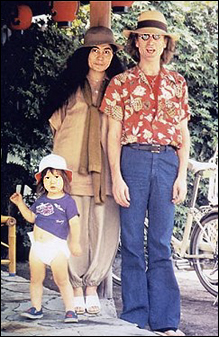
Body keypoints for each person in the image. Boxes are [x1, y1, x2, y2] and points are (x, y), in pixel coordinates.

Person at [100, 10, 190, 336]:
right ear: (136, 42)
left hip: (167, 162)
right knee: (133, 243)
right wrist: (116, 176)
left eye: (157, 37)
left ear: (165, 42)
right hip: (132, 162)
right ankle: (135, 319)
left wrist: (181, 175)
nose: (150, 43)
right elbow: (112, 133)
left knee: (161, 243)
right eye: (144, 36)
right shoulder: (120, 84)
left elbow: (183, 134)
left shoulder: (177, 83)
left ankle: (166, 322)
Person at [48, 26, 124, 315]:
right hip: (70, 166)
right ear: (84, 54)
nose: (101, 57)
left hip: (106, 166)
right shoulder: (69, 85)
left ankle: (92, 284)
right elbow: (55, 122)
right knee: (71, 226)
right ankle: (76, 286)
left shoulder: (119, 87)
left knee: (104, 226)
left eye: (107, 51)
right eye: (95, 50)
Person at [10, 154, 82, 323]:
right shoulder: (41, 200)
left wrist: (75, 243)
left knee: (61, 280)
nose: (52, 181)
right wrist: (21, 204)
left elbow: (75, 224)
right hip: (38, 247)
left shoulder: (68, 202)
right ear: (42, 181)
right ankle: (36, 308)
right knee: (35, 279)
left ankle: (71, 310)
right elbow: (31, 217)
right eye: (47, 177)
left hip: (57, 247)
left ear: (65, 179)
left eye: (57, 177)